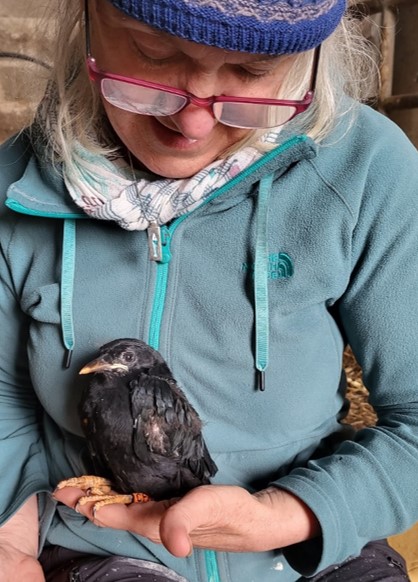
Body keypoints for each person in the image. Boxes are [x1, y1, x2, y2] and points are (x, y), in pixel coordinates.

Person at [0, 0, 417, 580]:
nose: (192, 124)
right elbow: (4, 401)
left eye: (252, 73)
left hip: (315, 546)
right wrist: (11, 538)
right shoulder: (13, 187)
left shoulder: (369, 169)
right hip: (101, 541)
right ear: (90, 15)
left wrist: (290, 513)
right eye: (152, 53)